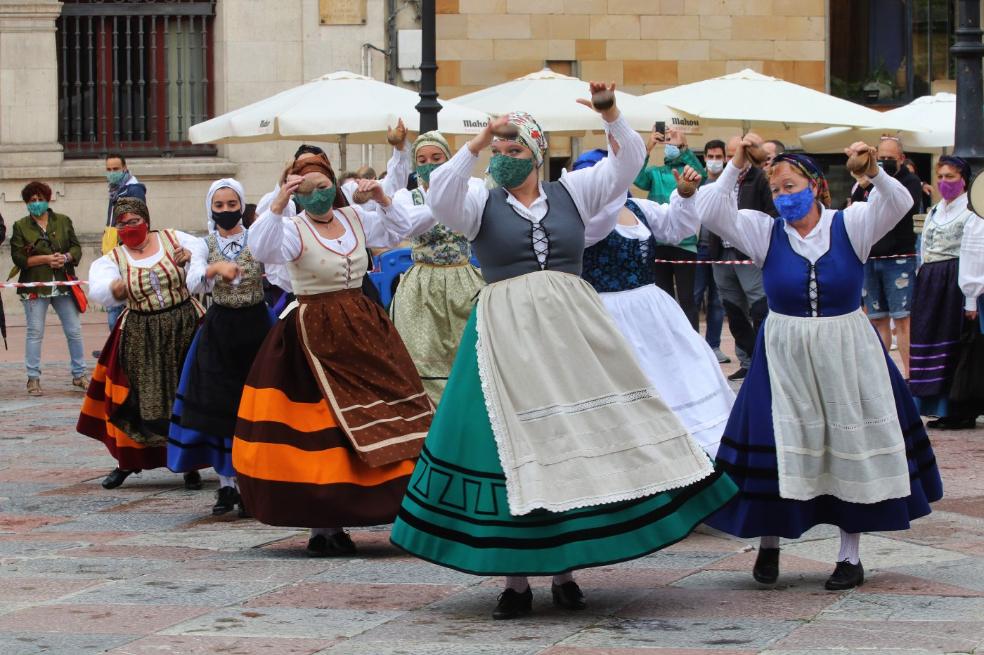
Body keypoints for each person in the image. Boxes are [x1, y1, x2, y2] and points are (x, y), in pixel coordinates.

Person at [390, 87, 737, 621]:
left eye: (514, 152)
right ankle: (516, 580)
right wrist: (479, 140)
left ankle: (566, 572)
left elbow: (629, 161)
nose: (504, 161)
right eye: (499, 153)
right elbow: (440, 194)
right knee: (513, 448)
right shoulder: (480, 201)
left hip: (572, 330)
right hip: (506, 332)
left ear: (537, 153)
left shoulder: (573, 191)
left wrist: (610, 114)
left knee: (571, 442)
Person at [695, 141, 943, 591]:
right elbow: (711, 210)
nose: (782, 195)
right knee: (778, 443)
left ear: (816, 186)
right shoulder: (763, 231)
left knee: (848, 446)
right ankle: (769, 541)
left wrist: (873, 171)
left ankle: (850, 556)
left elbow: (902, 202)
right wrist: (736, 165)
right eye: (775, 188)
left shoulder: (852, 224)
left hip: (845, 349)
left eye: (790, 186)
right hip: (784, 352)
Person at [236, 150, 433, 557]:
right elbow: (262, 249)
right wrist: (276, 204)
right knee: (323, 426)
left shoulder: (355, 219)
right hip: (312, 333)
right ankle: (323, 525)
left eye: (323, 187)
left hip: (363, 326)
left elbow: (400, 229)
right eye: (306, 189)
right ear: (297, 193)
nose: (317, 196)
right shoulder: (292, 228)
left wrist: (381, 195)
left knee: (386, 412)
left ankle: (404, 508)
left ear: (334, 186)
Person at [576, 149, 735, 458]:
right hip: (605, 313)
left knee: (679, 372)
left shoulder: (640, 207)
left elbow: (677, 229)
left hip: (652, 308)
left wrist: (685, 196)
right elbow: (595, 230)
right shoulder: (582, 217)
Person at [78, 198, 207, 491]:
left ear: (146, 220)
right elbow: (99, 286)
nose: (127, 227)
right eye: (121, 223)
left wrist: (192, 258)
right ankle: (128, 460)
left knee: (187, 394)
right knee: (134, 399)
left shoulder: (173, 239)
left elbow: (201, 247)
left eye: (133, 221)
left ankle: (190, 463)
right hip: (141, 331)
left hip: (184, 324)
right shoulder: (113, 259)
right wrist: (114, 288)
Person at [168, 179, 274, 517]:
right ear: (211, 209)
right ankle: (227, 486)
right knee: (219, 408)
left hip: (258, 325)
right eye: (220, 206)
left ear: (242, 206)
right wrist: (215, 268)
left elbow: (279, 268)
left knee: (257, 406)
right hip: (221, 329)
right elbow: (194, 280)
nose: (226, 211)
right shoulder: (204, 244)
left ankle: (255, 481)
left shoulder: (257, 238)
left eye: (232, 205)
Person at [389, 131, 485, 404]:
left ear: (449, 160)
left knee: (468, 354)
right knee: (421, 355)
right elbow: (406, 224)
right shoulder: (408, 198)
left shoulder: (472, 187)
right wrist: (442, 198)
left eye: (436, 157)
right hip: (423, 285)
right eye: (422, 159)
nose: (429, 163)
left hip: (463, 281)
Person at [909, 156, 984, 429]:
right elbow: (923, 248)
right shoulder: (934, 211)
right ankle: (934, 405)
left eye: (950, 177)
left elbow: (975, 253)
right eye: (940, 176)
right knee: (930, 339)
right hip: (931, 281)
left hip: (955, 279)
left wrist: (971, 297)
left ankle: (957, 408)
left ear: (964, 179)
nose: (943, 182)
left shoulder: (972, 212)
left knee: (955, 343)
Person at [707, 135, 775, 380]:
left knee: (759, 307)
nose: (731, 159)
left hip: (749, 254)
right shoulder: (718, 182)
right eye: (729, 154)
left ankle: (766, 360)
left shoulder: (760, 179)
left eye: (738, 153)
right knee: (733, 310)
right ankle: (748, 360)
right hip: (721, 253)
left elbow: (771, 213)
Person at [9, 182, 87, 396]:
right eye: (32, 201)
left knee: (74, 330)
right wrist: (45, 259)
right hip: (36, 284)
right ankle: (33, 378)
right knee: (35, 331)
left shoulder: (62, 221)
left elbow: (76, 246)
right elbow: (18, 257)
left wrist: (66, 257)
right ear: (26, 203)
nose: (37, 203)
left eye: (40, 199)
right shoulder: (20, 225)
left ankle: (79, 374)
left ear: (48, 199)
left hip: (63, 282)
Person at [854, 136, 921, 378]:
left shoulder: (909, 181)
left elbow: (905, 207)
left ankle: (910, 375)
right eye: (880, 158)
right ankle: (882, 375)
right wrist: (863, 181)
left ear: (901, 159)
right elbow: (855, 207)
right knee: (876, 319)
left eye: (890, 159)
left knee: (902, 320)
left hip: (899, 258)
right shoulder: (865, 183)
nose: (884, 162)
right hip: (870, 258)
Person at [634, 125, 706, 329]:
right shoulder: (655, 173)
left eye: (673, 141)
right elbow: (637, 177)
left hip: (686, 244)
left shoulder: (689, 172)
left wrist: (684, 147)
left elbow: (702, 175)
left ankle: (692, 341)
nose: (669, 144)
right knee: (663, 297)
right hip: (658, 242)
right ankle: (669, 338)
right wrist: (648, 147)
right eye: (667, 141)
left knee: (687, 298)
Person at [100, 154, 148, 345]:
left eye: (115, 169)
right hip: (113, 249)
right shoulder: (116, 190)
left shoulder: (133, 190)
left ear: (125, 168)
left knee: (116, 306)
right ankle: (117, 346)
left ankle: (118, 348)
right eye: (109, 169)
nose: (112, 173)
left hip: (126, 251)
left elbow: (133, 223)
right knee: (115, 305)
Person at [696, 139, 730, 363]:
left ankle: (714, 346)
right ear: (705, 158)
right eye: (711, 156)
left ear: (726, 158)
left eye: (719, 157)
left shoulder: (729, 185)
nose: (715, 161)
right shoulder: (697, 183)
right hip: (698, 248)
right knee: (694, 296)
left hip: (721, 250)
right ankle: (693, 346)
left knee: (718, 301)